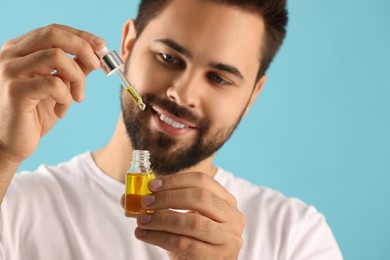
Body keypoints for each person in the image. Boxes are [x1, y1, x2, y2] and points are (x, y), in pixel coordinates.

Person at [0, 0, 343, 259]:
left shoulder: (295, 236)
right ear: (129, 45)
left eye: (219, 78)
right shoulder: (14, 207)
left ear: (253, 94)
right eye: (168, 58)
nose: (183, 92)